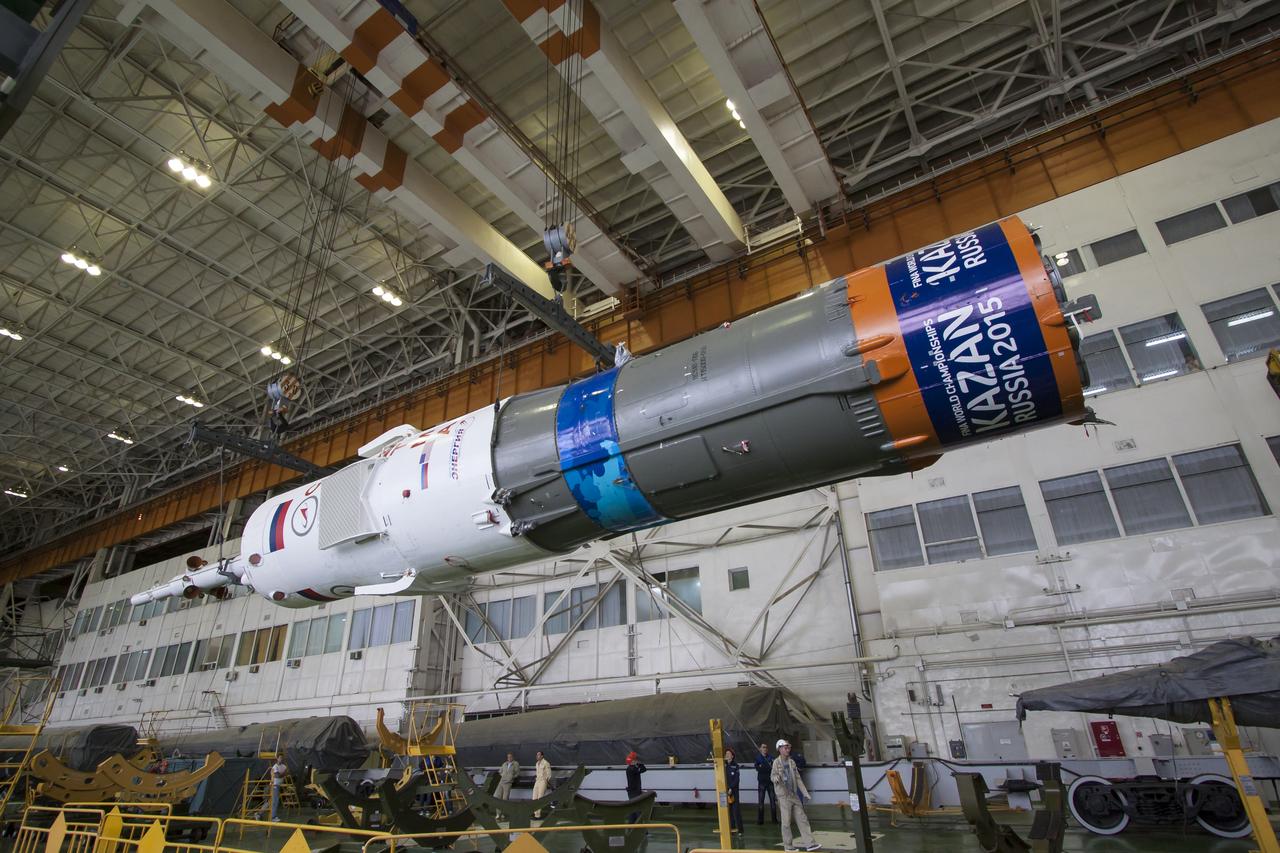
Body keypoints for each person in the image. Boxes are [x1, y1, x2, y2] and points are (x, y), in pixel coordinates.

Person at [771, 739, 819, 851]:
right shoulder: (776, 763)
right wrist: (776, 778)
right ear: (779, 749)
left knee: (802, 819)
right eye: (785, 748)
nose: (788, 750)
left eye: (788, 748)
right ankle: (788, 846)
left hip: (794, 795)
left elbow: (798, 779)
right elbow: (772, 776)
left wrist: (805, 793)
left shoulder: (792, 762)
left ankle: (810, 844)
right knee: (786, 822)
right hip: (783, 796)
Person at [754, 742, 778, 824]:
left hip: (770, 782)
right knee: (761, 802)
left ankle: (774, 820)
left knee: (773, 802)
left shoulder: (771, 757)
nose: (765, 749)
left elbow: (773, 768)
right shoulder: (757, 758)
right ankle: (760, 820)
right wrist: (765, 766)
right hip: (761, 782)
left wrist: (763, 766)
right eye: (763, 747)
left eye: (766, 747)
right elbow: (758, 768)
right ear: (760, 749)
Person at [723, 747, 743, 836]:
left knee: (736, 811)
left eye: (729, 754)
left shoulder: (736, 766)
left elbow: (736, 779)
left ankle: (740, 830)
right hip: (725, 791)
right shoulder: (723, 766)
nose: (727, 755)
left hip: (734, 792)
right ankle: (732, 829)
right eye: (726, 754)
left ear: (732, 756)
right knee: (728, 811)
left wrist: (731, 788)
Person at [531, 751, 551, 818]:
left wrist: (545, 781)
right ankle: (535, 813)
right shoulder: (537, 763)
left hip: (543, 781)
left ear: (542, 756)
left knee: (540, 798)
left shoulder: (546, 763)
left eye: (538, 755)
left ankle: (538, 815)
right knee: (534, 798)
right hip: (537, 781)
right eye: (536, 755)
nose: (537, 756)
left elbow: (549, 774)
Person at [270, 756, 288, 823]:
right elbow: (278, 776)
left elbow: (286, 773)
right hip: (274, 785)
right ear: (277, 759)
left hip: (278, 785)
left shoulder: (284, 766)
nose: (281, 759)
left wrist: (281, 774)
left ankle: (258, 814)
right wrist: (283, 774)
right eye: (280, 758)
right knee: (275, 801)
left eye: (282, 758)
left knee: (270, 802)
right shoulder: (275, 767)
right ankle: (273, 817)